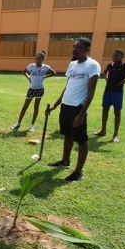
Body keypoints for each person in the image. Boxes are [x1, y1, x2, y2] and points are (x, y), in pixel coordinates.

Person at [46, 38, 101, 182]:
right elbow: (67, 87)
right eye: (73, 47)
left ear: (88, 48)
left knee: (82, 140)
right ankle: (65, 161)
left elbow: (91, 91)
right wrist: (56, 105)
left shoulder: (93, 65)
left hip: (78, 108)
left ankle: (78, 172)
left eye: (78, 47)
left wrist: (82, 114)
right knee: (67, 135)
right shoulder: (72, 64)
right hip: (66, 106)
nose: (74, 50)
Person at [93, 49, 125, 143]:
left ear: (122, 57)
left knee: (117, 113)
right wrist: (106, 77)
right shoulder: (110, 65)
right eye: (113, 55)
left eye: (117, 56)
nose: (114, 57)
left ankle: (115, 134)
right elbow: (105, 71)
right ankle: (103, 130)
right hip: (107, 91)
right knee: (105, 110)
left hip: (117, 92)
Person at [11, 50, 56, 132]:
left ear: (43, 60)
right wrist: (28, 77)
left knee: (36, 107)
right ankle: (18, 123)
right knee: (25, 107)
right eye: (36, 59)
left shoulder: (45, 67)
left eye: (39, 59)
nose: (37, 61)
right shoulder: (31, 66)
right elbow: (24, 71)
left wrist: (45, 77)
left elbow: (54, 73)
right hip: (31, 89)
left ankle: (32, 125)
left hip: (40, 89)